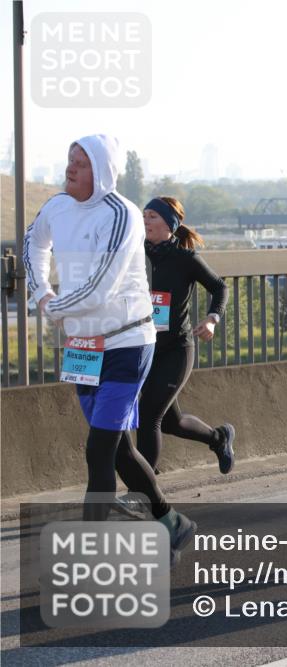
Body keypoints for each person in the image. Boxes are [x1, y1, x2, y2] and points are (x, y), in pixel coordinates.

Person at [23, 135, 196, 564]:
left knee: (97, 450)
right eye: (69, 160)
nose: (70, 169)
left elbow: (102, 286)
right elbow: (32, 243)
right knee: (116, 448)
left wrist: (53, 307)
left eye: (80, 163)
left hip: (126, 342)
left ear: (101, 170)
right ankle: (171, 521)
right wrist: (41, 292)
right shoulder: (57, 207)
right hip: (83, 346)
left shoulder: (123, 214)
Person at [122, 197, 234, 496]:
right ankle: (219, 438)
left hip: (176, 350)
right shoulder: (135, 255)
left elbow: (220, 286)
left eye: (153, 216)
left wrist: (212, 319)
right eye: (143, 215)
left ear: (170, 224)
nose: (146, 221)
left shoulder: (185, 259)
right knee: (172, 422)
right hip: (146, 350)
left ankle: (143, 493)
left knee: (148, 417)